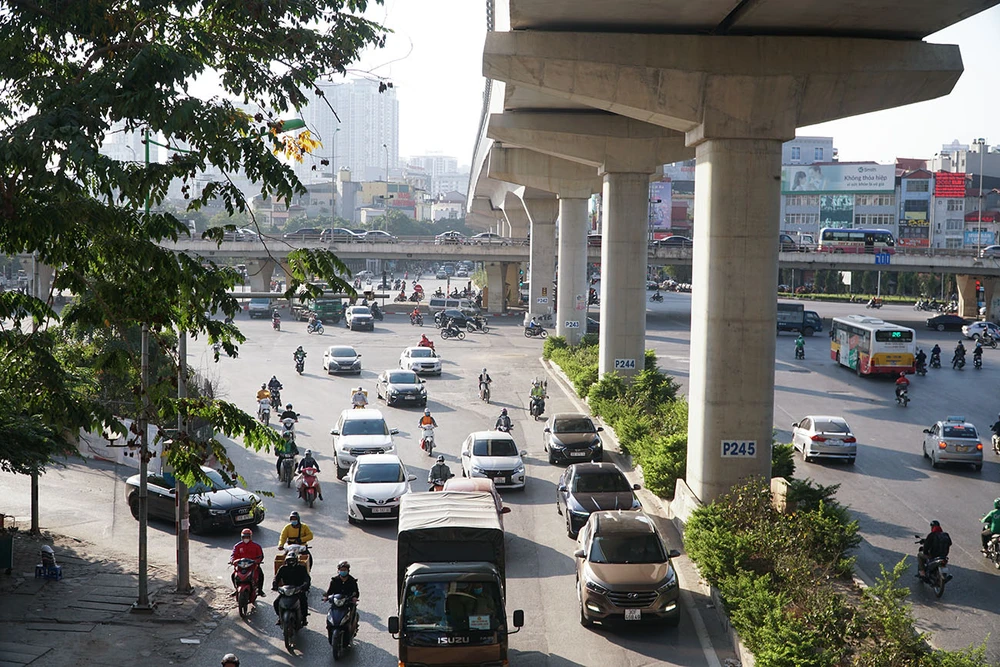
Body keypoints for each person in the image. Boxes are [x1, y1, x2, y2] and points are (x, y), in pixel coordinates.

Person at [272, 552, 311, 626]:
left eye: (292, 560)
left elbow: (307, 578)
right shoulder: (283, 568)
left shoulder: (301, 568)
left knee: (303, 601)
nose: (291, 562)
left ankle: (304, 618)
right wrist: (275, 585)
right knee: (276, 602)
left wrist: (304, 585)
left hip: (298, 590)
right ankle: (280, 617)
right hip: (286, 590)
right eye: (289, 560)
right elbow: (276, 578)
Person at [323, 560, 361, 638]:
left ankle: (353, 627)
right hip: (337, 602)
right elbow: (330, 591)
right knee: (330, 614)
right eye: (341, 570)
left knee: (352, 612)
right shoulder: (335, 580)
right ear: (338, 571)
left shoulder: (352, 581)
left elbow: (356, 592)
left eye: (345, 570)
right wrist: (326, 597)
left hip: (348, 603)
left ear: (348, 571)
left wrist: (354, 597)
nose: (343, 572)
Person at [229, 528, 265, 598]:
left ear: (250, 537)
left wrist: (257, 561)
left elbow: (260, 556)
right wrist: (233, 561)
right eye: (244, 537)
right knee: (233, 576)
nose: (246, 539)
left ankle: (260, 590)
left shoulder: (256, 546)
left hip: (252, 566)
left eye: (247, 537)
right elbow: (233, 555)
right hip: (241, 566)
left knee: (260, 574)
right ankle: (236, 589)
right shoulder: (237, 546)